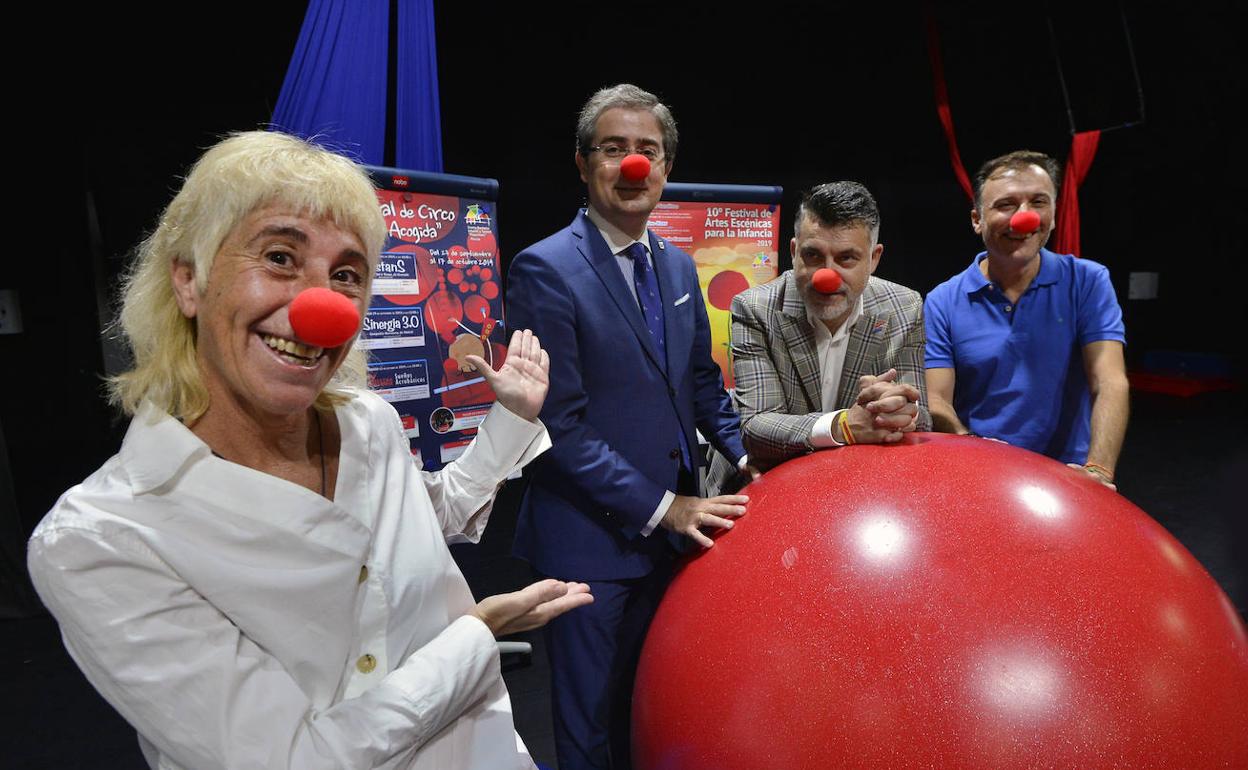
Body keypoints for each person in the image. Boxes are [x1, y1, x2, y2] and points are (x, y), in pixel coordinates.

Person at [26, 131, 592, 770]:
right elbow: (295, 760)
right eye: (279, 257)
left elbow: (429, 519)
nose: (321, 307)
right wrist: (476, 636)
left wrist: (512, 418)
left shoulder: (368, 423)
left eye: (346, 274)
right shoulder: (100, 540)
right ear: (189, 280)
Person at [505, 84, 750, 770]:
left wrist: (747, 455)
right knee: (586, 729)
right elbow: (557, 428)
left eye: (648, 150)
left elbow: (701, 382)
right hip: (590, 545)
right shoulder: (545, 268)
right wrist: (665, 507)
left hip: (671, 545)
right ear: (584, 164)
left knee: (645, 710)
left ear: (667, 168)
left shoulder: (673, 264)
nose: (633, 164)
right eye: (615, 149)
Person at [924, 150, 1129, 488]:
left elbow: (1109, 381)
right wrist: (970, 443)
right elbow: (936, 398)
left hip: (1070, 477)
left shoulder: (1088, 281)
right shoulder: (942, 300)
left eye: (1038, 202)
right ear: (977, 219)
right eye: (1006, 205)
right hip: (981, 474)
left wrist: (1099, 470)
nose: (1026, 218)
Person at [707, 181, 929, 491]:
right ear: (794, 251)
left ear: (874, 259)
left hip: (855, 484)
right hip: (766, 479)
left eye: (847, 258)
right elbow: (756, 427)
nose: (827, 276)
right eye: (813, 256)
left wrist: (897, 408)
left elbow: (921, 417)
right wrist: (843, 426)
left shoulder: (904, 307)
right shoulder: (755, 308)